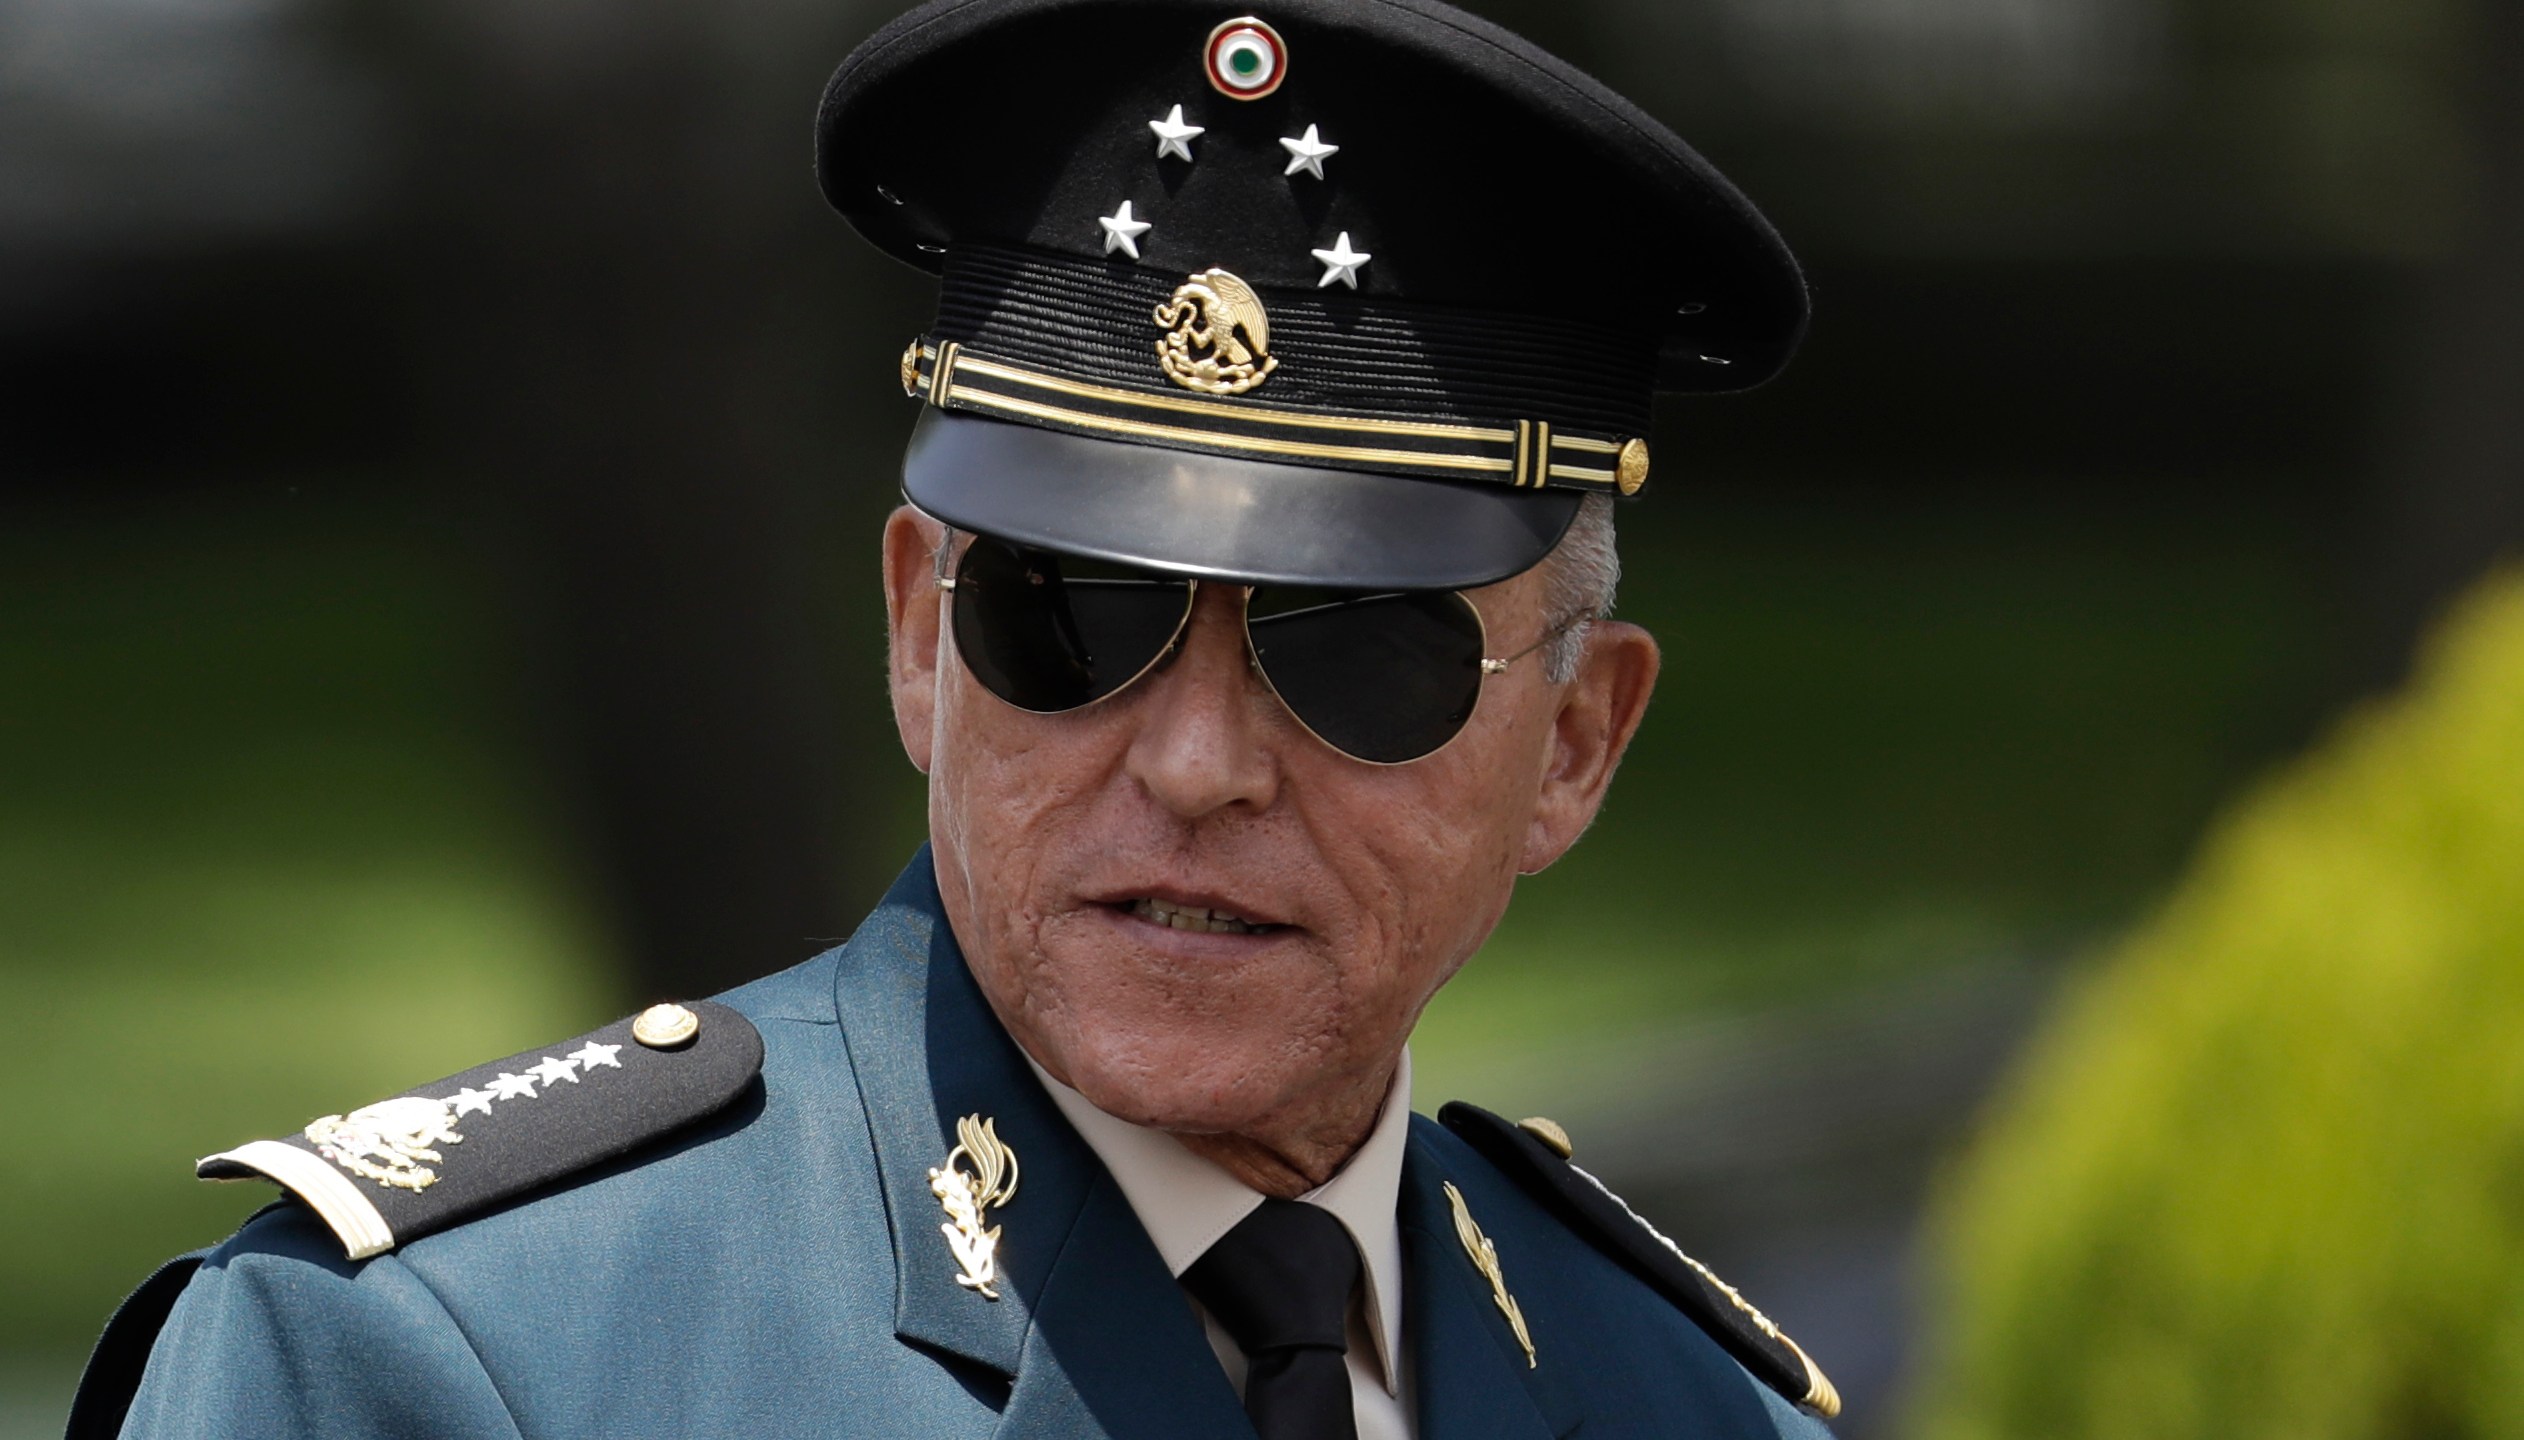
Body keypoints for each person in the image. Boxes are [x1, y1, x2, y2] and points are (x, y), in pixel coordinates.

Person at [69, 1, 1839, 1435]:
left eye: (1363, 654)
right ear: (920, 638)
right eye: (1065, 618)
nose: (1198, 764)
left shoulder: (1680, 1399)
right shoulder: (451, 1365)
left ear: (1580, 742)